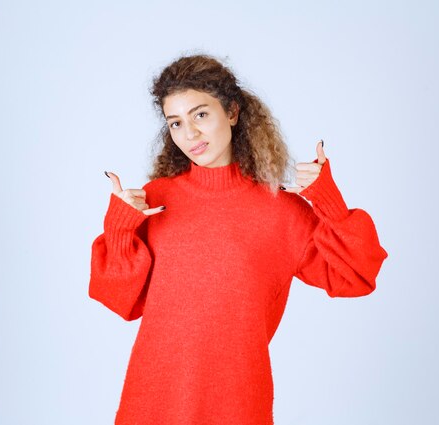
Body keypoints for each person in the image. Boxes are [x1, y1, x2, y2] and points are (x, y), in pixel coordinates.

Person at [88, 53, 388, 425]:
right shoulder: (156, 200)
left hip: (238, 404)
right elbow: (119, 299)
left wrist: (328, 201)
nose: (190, 134)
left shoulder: (281, 211)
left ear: (232, 111)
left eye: (201, 114)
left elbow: (356, 275)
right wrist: (120, 228)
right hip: (152, 402)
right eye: (176, 123)